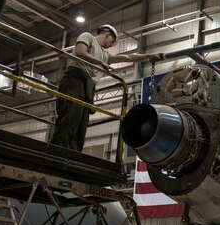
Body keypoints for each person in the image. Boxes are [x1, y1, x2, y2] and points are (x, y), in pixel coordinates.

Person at [50, 23, 162, 152]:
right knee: (70, 115)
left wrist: (150, 55)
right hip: (75, 79)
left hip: (89, 86)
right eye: (111, 42)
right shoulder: (87, 37)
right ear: (107, 34)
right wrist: (99, 62)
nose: (110, 45)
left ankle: (73, 151)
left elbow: (128, 57)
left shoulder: (105, 54)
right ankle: (57, 149)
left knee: (81, 121)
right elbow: (80, 52)